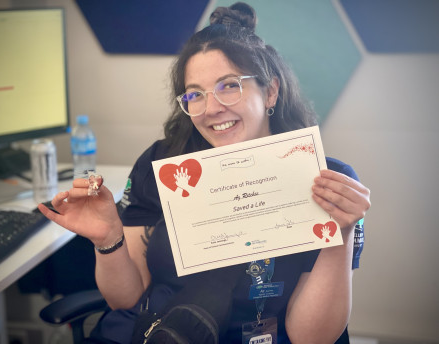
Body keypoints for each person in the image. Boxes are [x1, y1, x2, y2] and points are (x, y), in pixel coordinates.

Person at [39, 2, 371, 343]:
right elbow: (125, 299)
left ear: (270, 90)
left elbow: (311, 338)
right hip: (158, 331)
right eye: (195, 94)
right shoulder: (163, 166)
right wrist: (108, 240)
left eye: (229, 85)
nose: (212, 108)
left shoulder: (328, 184)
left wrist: (340, 235)